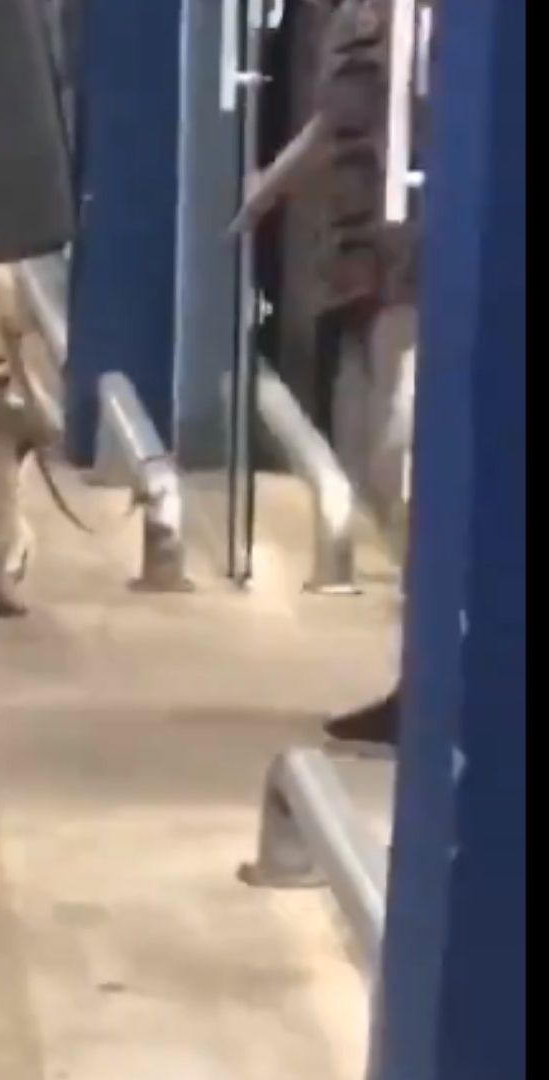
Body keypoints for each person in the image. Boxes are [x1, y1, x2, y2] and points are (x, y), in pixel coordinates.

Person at [233, 0, 421, 748]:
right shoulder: (364, 14)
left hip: (435, 269)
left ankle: (441, 675)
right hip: (371, 269)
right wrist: (268, 187)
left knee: (406, 463)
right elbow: (344, 116)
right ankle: (424, 673)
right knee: (388, 472)